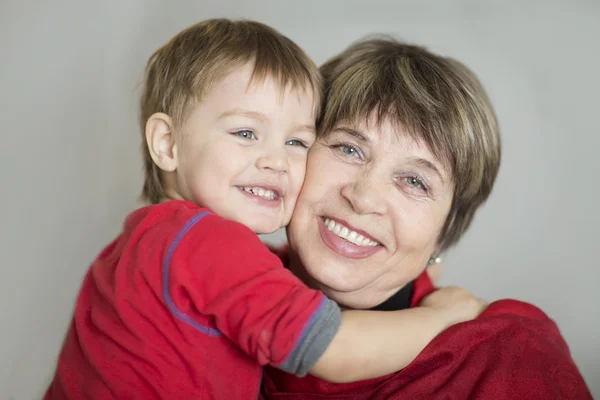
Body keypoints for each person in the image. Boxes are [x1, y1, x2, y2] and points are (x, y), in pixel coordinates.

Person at [43, 20, 486, 400]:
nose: (276, 160)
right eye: (245, 133)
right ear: (168, 143)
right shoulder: (208, 245)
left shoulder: (144, 243)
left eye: (295, 142)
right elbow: (335, 351)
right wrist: (443, 318)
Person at [262, 38, 593, 399]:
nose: (363, 197)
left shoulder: (510, 359)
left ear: (446, 232)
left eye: (415, 181)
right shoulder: (204, 286)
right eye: (349, 149)